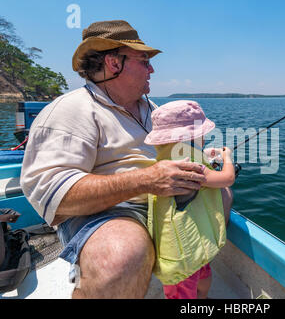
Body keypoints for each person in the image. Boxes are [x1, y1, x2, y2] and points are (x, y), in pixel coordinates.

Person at [19, 20, 233, 298]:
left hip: (162, 201)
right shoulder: (69, 110)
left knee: (224, 193)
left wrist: (201, 158)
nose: (152, 69)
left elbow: (174, 152)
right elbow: (53, 196)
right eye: (144, 61)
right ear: (113, 63)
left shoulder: (152, 109)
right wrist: (146, 181)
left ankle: (189, 269)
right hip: (107, 213)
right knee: (121, 254)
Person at [144, 100, 235, 299]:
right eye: (202, 135)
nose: (205, 138)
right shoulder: (192, 169)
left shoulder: (166, 165)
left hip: (185, 254)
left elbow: (184, 153)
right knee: (195, 286)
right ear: (190, 139)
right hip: (188, 257)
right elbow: (227, 178)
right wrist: (227, 157)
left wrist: (202, 154)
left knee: (199, 279)